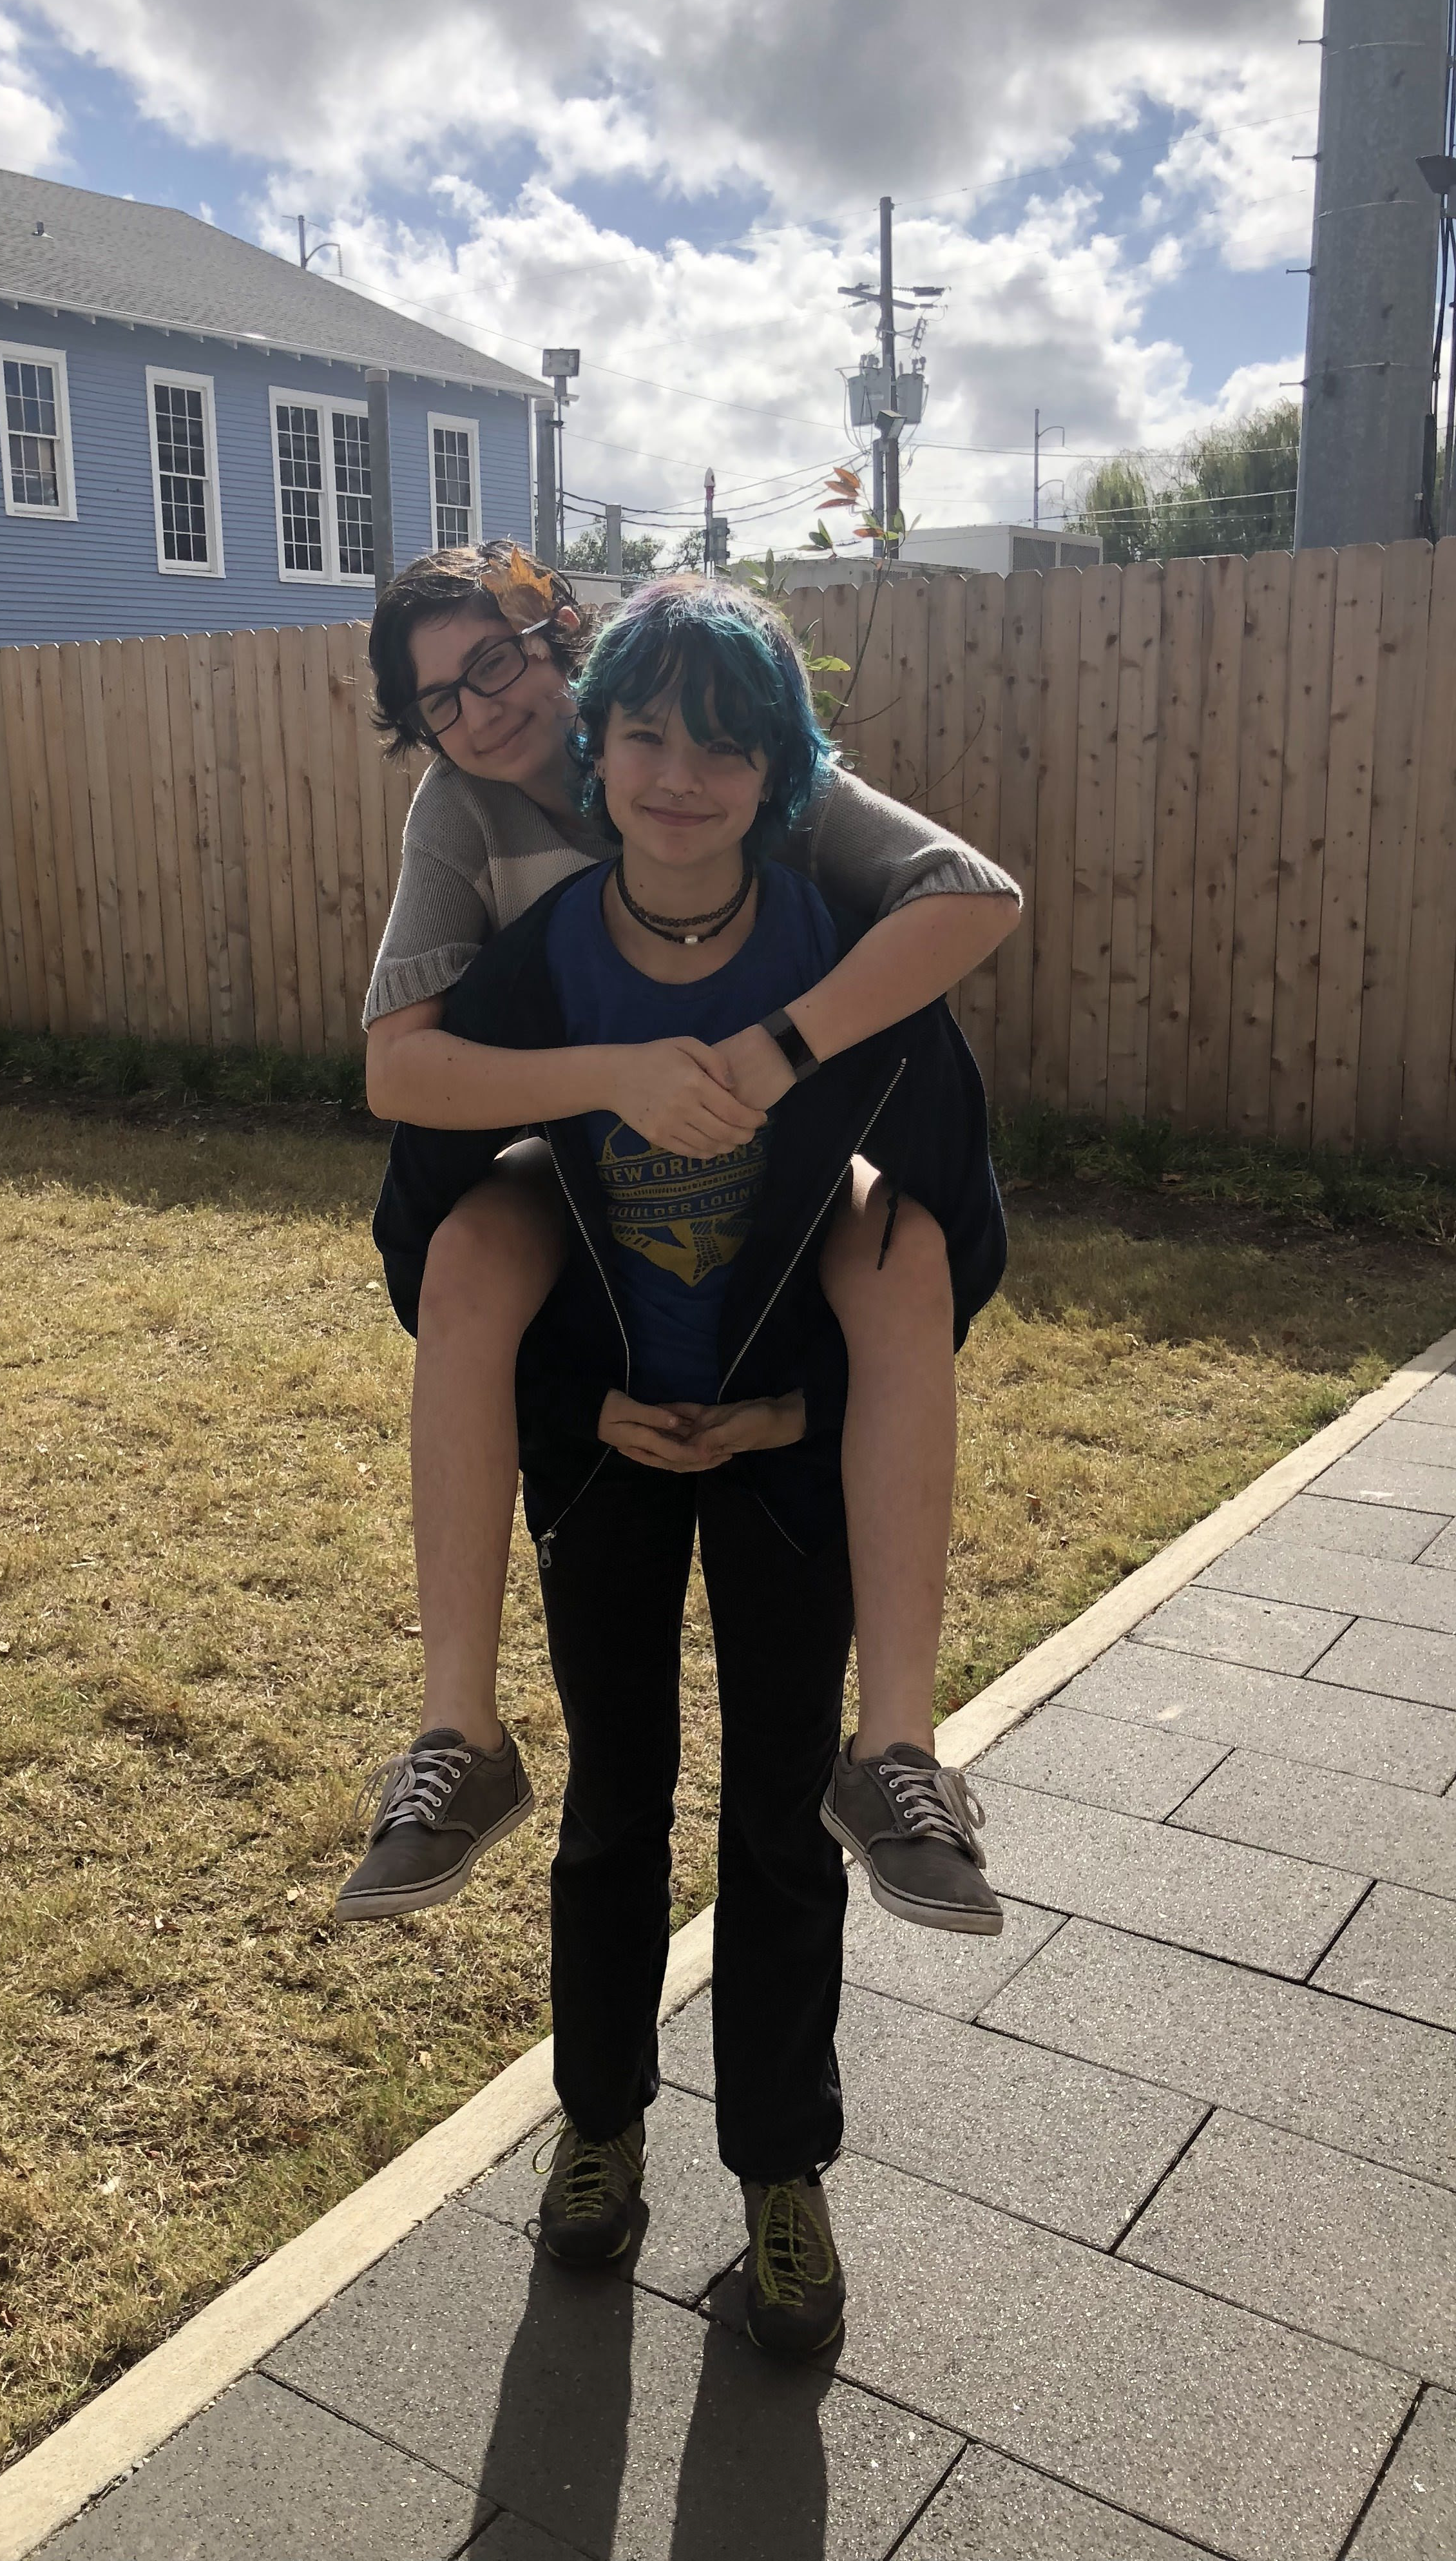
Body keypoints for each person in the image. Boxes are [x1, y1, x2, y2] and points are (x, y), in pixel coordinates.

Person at [369, 578, 1006, 2352]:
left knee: (786, 1820)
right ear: (599, 747)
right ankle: (596, 2126)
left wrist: (801, 1406)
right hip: (613, 1432)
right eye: (643, 739)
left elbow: (937, 1191)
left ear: (781, 773)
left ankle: (786, 2170)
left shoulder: (831, 931)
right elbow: (420, 1140)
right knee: (614, 1802)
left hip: (786, 1426)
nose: (677, 774)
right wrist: (579, 1407)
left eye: (722, 747)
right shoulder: (525, 935)